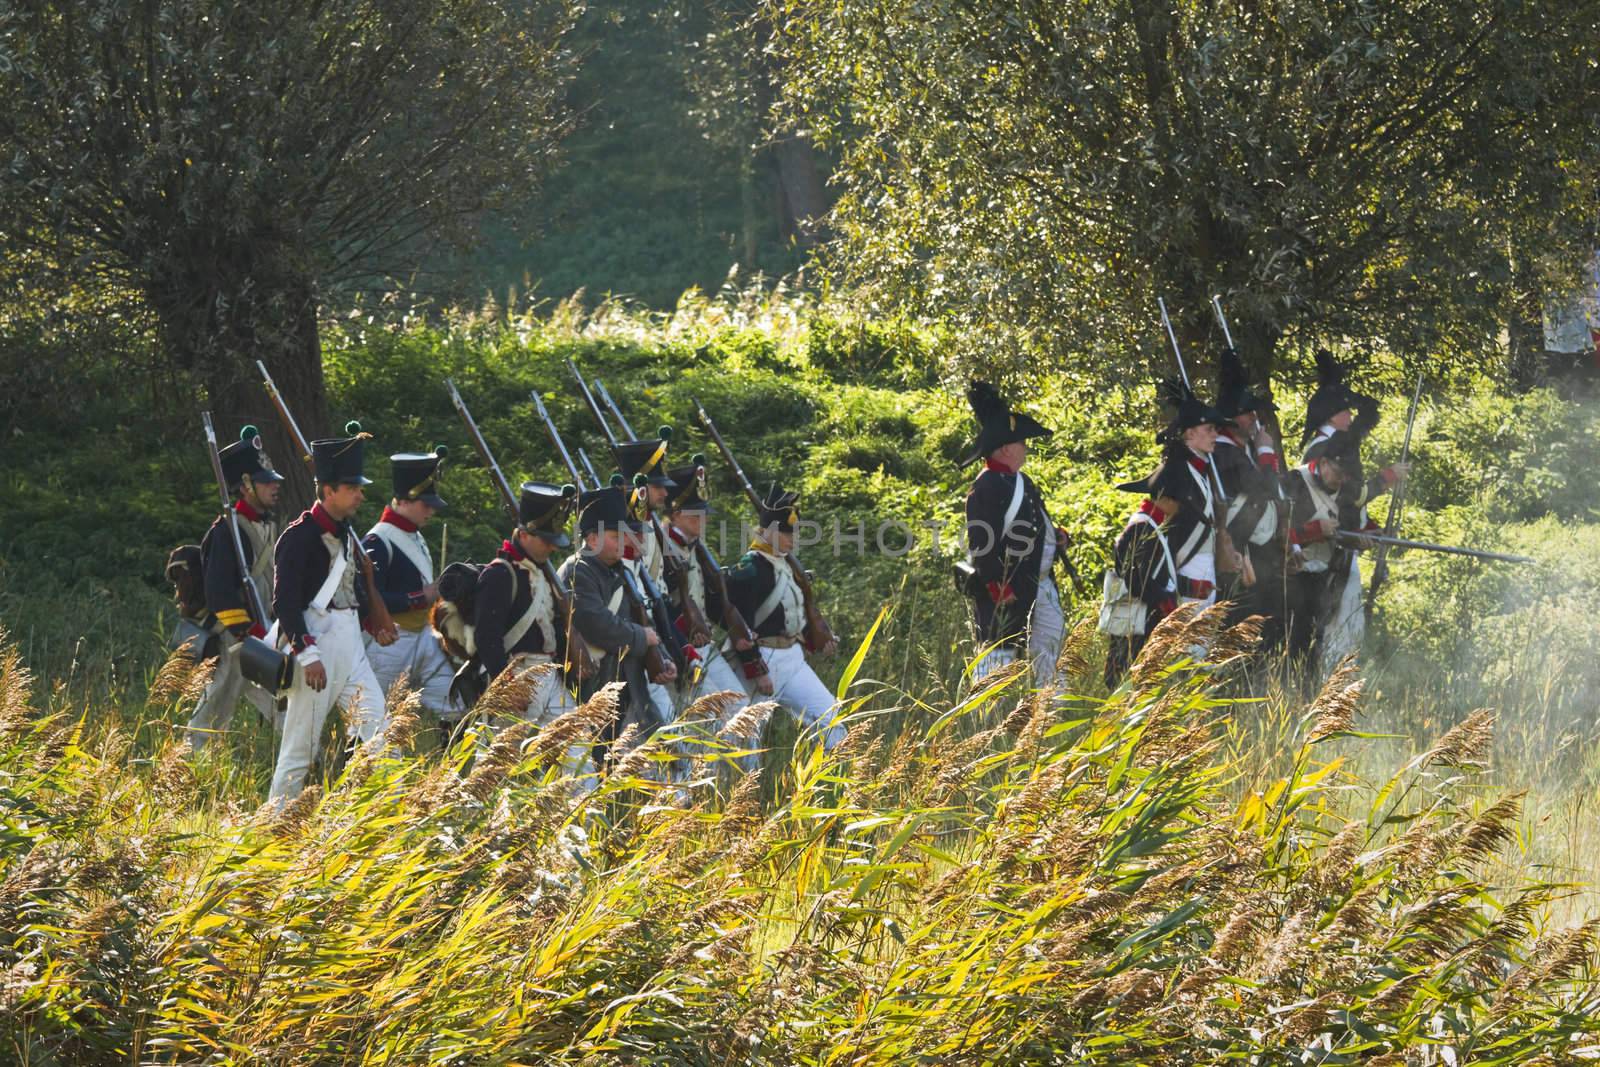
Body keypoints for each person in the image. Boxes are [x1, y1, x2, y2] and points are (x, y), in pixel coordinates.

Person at [268, 423, 397, 804]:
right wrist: (307, 655)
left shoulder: (347, 533)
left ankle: (377, 817)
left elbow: (351, 592)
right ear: (328, 491)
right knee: (299, 753)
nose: (360, 495)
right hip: (316, 647)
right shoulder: (298, 537)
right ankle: (272, 833)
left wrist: (375, 625)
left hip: (351, 646)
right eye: (352, 488)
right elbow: (285, 603)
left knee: (381, 734)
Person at [1100, 385, 1236, 685]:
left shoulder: (1197, 471)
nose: (1215, 434)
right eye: (1209, 428)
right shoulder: (1177, 476)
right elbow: (1152, 560)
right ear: (1189, 434)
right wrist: (1166, 600)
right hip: (1183, 592)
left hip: (1198, 589)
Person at [663, 458, 769, 770]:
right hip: (680, 647)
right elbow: (661, 604)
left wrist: (739, 631)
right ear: (677, 514)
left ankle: (738, 791)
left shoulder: (693, 547)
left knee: (739, 710)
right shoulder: (662, 547)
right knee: (707, 719)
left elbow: (714, 601)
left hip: (703, 642)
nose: (703, 520)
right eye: (695, 514)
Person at [559, 486, 678, 764]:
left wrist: (662, 657)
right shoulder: (578, 571)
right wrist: (642, 637)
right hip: (595, 685)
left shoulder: (619, 570)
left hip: (629, 682)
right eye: (615, 536)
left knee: (661, 755)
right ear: (591, 538)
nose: (622, 542)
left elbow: (642, 619)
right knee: (598, 760)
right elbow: (597, 624)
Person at [960, 381, 1068, 685]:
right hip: (1006, 590)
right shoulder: (986, 486)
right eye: (1021, 442)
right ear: (1007, 448)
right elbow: (982, 543)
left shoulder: (1021, 480)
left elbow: (1034, 521)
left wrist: (1054, 536)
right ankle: (986, 723)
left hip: (1038, 583)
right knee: (996, 659)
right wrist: (997, 586)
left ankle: (1052, 716)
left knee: (1051, 651)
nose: (1025, 447)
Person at [723, 485, 844, 750]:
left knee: (831, 720)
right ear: (767, 532)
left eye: (793, 532)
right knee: (744, 743)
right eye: (785, 532)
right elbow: (737, 624)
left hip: (792, 658)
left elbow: (794, 614)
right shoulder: (749, 568)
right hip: (762, 661)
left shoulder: (786, 564)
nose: (792, 538)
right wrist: (756, 668)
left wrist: (817, 638)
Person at [187, 425, 284, 753]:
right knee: (214, 709)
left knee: (284, 703)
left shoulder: (266, 525)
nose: (274, 486)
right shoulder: (226, 531)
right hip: (235, 638)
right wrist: (248, 631)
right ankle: (188, 766)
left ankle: (304, 758)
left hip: (264, 634)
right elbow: (219, 593)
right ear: (245, 485)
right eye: (266, 480)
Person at [362, 447, 455, 721]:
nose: (430, 511)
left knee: (455, 706)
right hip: (389, 642)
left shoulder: (414, 536)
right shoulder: (378, 541)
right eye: (425, 504)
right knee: (370, 718)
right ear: (404, 500)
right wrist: (420, 597)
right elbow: (369, 598)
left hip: (424, 637)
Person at [1211, 346, 1288, 646]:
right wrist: (1266, 450)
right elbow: (1263, 488)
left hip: (1254, 548)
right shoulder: (1225, 452)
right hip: (1235, 550)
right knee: (1234, 625)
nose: (1254, 418)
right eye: (1248, 413)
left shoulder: (1242, 449)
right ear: (1233, 418)